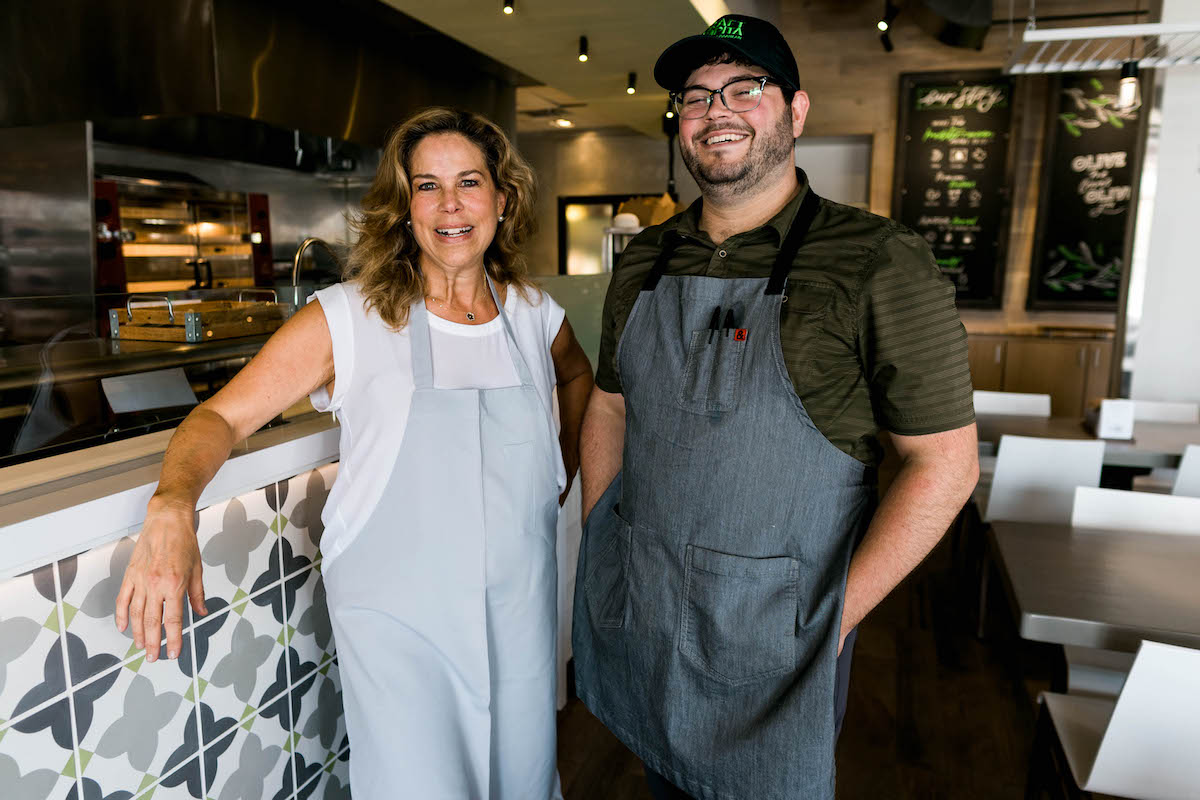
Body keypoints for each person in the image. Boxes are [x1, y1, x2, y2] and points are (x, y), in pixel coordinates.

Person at [115, 107, 593, 799]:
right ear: (404, 207)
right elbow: (219, 415)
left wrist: (562, 469)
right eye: (427, 186)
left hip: (519, 616)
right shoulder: (349, 317)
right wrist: (172, 502)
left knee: (521, 781)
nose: (451, 205)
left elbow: (578, 375)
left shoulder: (532, 314)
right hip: (402, 626)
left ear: (503, 197)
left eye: (470, 182)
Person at [572, 14, 979, 800]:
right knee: (660, 782)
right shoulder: (645, 261)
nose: (717, 109)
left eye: (745, 88)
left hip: (778, 638)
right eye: (696, 97)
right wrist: (602, 535)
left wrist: (830, 624)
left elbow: (945, 465)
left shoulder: (879, 261)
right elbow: (611, 406)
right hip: (650, 608)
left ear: (795, 112)